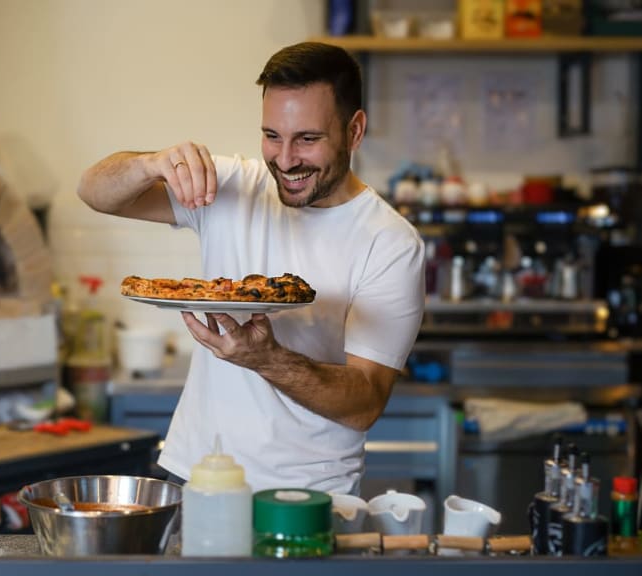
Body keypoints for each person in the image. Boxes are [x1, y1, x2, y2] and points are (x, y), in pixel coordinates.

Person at [77, 41, 424, 495]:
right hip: (195, 475)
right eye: (272, 135)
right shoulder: (233, 186)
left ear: (355, 130)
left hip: (307, 495)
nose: (284, 159)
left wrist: (266, 359)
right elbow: (94, 192)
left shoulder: (390, 242)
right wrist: (150, 164)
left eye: (308, 138)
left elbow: (364, 402)